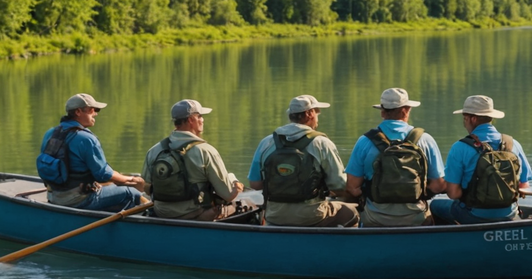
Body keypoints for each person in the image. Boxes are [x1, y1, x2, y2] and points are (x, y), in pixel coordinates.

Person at [247, 95, 358, 227]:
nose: (318, 118)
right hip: (311, 216)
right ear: (309, 113)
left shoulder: (266, 142)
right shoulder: (322, 143)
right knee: (351, 212)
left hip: (275, 215)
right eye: (317, 112)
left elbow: (255, 184)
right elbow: (339, 185)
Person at [345, 88, 446, 226]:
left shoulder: (365, 141)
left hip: (375, 218)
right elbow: (438, 186)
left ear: (382, 112)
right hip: (416, 217)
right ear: (406, 110)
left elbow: (352, 187)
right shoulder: (425, 139)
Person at [431, 95, 532, 224]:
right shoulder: (513, 144)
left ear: (472, 119)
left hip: (474, 214)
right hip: (510, 214)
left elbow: (453, 194)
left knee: (434, 206)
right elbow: (524, 185)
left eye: (464, 118)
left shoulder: (460, 147)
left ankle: (454, 240)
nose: (464, 123)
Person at [37, 93, 145, 211]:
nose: (96, 113)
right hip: (77, 199)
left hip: (54, 196)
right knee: (131, 192)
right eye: (92, 110)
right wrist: (129, 180)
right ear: (78, 112)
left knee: (113, 185)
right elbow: (103, 174)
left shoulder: (50, 133)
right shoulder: (86, 139)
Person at [143, 99, 244, 221]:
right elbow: (228, 195)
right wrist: (234, 182)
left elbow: (147, 188)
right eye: (200, 116)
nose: (203, 120)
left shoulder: (154, 150)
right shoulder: (206, 151)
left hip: (162, 213)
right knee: (240, 205)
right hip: (196, 215)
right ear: (191, 120)